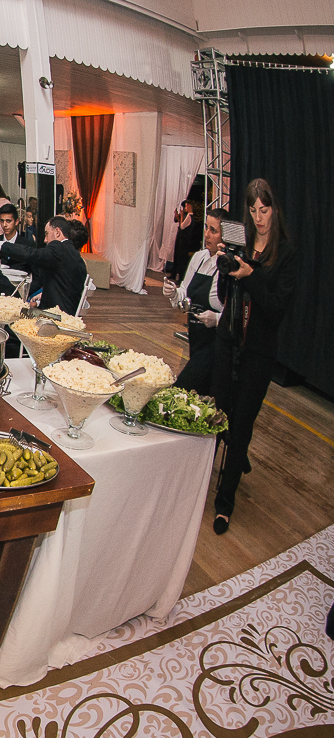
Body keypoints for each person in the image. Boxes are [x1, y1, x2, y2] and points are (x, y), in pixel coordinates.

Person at [210, 179, 297, 535]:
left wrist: (250, 275)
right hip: (227, 342)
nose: (259, 218)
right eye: (253, 210)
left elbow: (275, 310)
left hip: (258, 353)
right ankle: (203, 480)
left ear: (274, 209)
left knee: (242, 424)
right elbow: (223, 295)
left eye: (264, 210)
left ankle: (224, 504)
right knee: (218, 417)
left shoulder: (285, 254)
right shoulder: (242, 244)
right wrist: (226, 266)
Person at [163, 208, 225, 395]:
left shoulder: (227, 267)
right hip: (196, 337)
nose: (207, 234)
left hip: (216, 342)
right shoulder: (199, 258)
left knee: (181, 388)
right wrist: (173, 293)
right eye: (206, 227)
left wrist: (217, 318)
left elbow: (236, 311)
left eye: (213, 230)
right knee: (201, 394)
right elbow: (184, 292)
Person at [0, 215, 87, 313]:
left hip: (56, 317)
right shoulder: (74, 255)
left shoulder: (59, 247)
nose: (45, 240)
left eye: (46, 234)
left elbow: (31, 254)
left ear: (57, 232)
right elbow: (62, 287)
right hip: (66, 313)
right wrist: (38, 302)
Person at [169, 200, 203, 282]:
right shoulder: (187, 216)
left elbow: (182, 226)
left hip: (184, 241)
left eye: (186, 206)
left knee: (182, 259)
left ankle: (181, 278)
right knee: (177, 257)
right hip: (181, 239)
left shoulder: (189, 216)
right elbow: (178, 222)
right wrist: (178, 216)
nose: (185, 208)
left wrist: (181, 216)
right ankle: (174, 274)